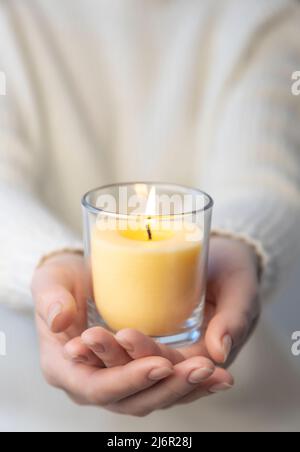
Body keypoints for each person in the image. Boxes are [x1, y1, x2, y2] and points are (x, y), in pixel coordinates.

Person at [1, 0, 300, 418]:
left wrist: (238, 247)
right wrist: (47, 264)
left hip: (250, 412)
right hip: (25, 411)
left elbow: (262, 179)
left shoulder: (264, 11)